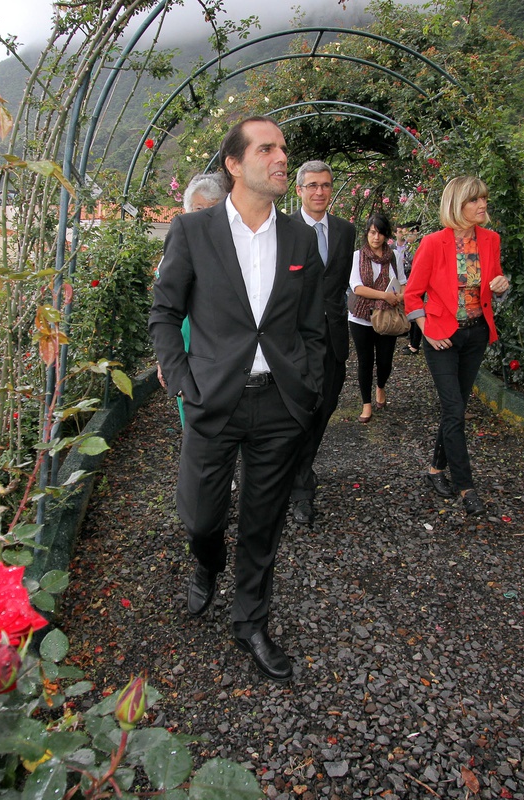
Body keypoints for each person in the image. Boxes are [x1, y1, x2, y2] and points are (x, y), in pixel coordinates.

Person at [149, 117, 326, 682]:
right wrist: (180, 378)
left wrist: (309, 380)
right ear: (234, 164)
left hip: (278, 404)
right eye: (267, 148)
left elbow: (312, 323)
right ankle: (206, 561)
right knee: (202, 516)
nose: (281, 158)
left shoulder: (300, 238)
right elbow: (164, 311)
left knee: (262, 521)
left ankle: (251, 621)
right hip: (212, 400)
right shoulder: (193, 231)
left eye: (283, 149)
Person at [404, 177, 510, 516]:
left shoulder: (491, 240)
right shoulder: (434, 243)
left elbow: (492, 285)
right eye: (474, 200)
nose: (482, 205)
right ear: (456, 204)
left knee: (456, 407)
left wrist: (501, 284)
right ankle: (466, 487)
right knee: (455, 410)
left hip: (476, 334)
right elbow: (411, 293)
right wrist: (426, 331)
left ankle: (436, 469)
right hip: (442, 337)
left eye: (484, 199)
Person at [288, 160, 355, 526]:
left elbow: (337, 285)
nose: (319, 192)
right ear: (299, 190)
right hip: (294, 341)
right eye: (312, 185)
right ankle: (300, 488)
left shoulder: (345, 231)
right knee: (299, 411)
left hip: (333, 337)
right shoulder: (283, 229)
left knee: (325, 408)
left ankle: (300, 470)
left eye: (326, 185)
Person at [157, 173, 228, 426]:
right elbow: (164, 311)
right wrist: (166, 359)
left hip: (230, 356)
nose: (206, 217)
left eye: (214, 209)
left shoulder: (238, 250)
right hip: (188, 353)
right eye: (199, 210)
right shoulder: (175, 254)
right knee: (196, 428)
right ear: (186, 212)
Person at [348, 213, 405, 423]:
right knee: (365, 362)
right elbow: (357, 287)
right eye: (372, 232)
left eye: (380, 233)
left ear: (386, 235)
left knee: (385, 361)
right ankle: (366, 404)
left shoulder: (394, 257)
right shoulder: (357, 256)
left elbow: (403, 282)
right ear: (367, 233)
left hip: (387, 316)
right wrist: (384, 295)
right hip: (361, 317)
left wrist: (399, 296)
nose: (376, 237)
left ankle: (381, 386)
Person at [393, 220, 424, 354]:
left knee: (417, 309)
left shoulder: (418, 246)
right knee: (409, 308)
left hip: (416, 282)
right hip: (406, 282)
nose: (406, 235)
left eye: (409, 232)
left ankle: (414, 344)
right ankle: (410, 336)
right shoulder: (401, 247)